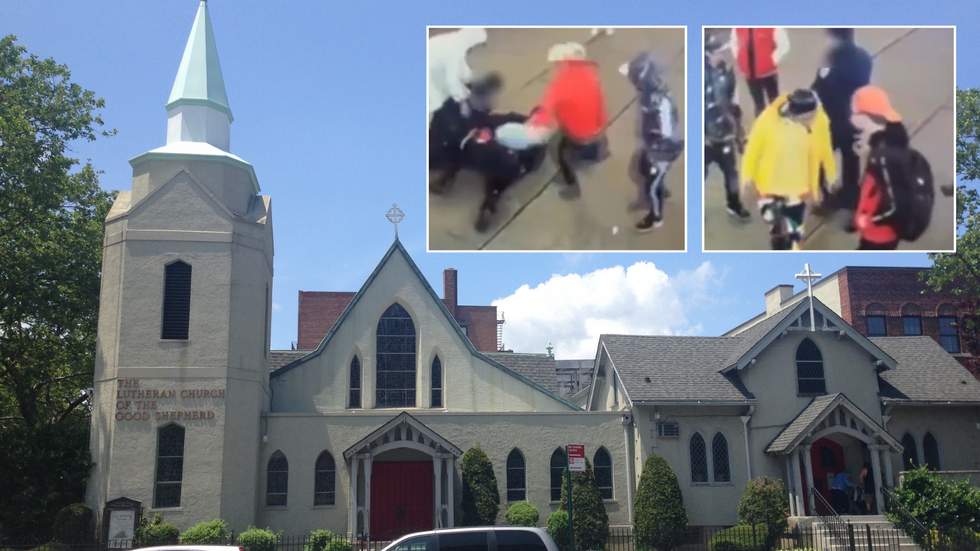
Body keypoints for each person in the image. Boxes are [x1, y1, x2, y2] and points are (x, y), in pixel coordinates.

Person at [741, 89, 836, 250]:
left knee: (796, 230)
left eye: (813, 115)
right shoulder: (768, 120)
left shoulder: (820, 119)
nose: (810, 121)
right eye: (806, 118)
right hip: (770, 187)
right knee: (775, 228)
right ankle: (778, 246)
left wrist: (831, 174)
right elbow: (753, 150)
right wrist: (747, 177)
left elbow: (824, 147)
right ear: (794, 113)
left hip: (799, 189)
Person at [523, 42, 609, 199]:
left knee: (559, 151)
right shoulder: (591, 76)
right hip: (597, 131)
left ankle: (571, 184)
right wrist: (602, 127)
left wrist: (531, 128)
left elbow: (546, 112)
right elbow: (601, 104)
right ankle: (597, 152)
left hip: (578, 134)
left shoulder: (560, 85)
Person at [811, 28, 873, 223]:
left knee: (821, 160)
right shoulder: (864, 57)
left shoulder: (831, 63)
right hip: (855, 117)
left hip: (833, 121)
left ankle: (825, 198)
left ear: (835, 38)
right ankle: (850, 195)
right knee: (851, 158)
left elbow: (819, 90)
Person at [619, 52, 684, 232]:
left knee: (651, 184)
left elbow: (667, 129)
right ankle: (658, 189)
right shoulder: (654, 90)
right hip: (655, 145)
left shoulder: (656, 100)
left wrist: (657, 152)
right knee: (642, 170)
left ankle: (656, 217)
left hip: (662, 149)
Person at [851, 85, 910, 250]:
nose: (853, 117)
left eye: (857, 112)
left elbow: (888, 195)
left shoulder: (883, 156)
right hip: (884, 230)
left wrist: (866, 220)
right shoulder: (892, 135)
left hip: (879, 233)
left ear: (868, 115)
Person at [704, 32, 751, 220]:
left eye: (723, 51)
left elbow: (733, 98)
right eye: (718, 52)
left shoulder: (727, 69)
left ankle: (734, 204)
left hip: (724, 134)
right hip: (705, 138)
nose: (722, 55)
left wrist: (738, 129)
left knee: (731, 174)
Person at [428, 28, 488, 129]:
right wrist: (463, 101)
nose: (475, 49)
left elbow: (462, 71)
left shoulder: (453, 40)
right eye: (476, 45)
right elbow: (452, 81)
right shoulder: (455, 50)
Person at [730, 28, 791, 117]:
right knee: (758, 103)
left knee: (774, 101)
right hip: (750, 74)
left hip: (768, 73)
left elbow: (784, 45)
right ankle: (761, 124)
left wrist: (773, 60)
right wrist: (739, 57)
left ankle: (777, 122)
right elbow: (733, 42)